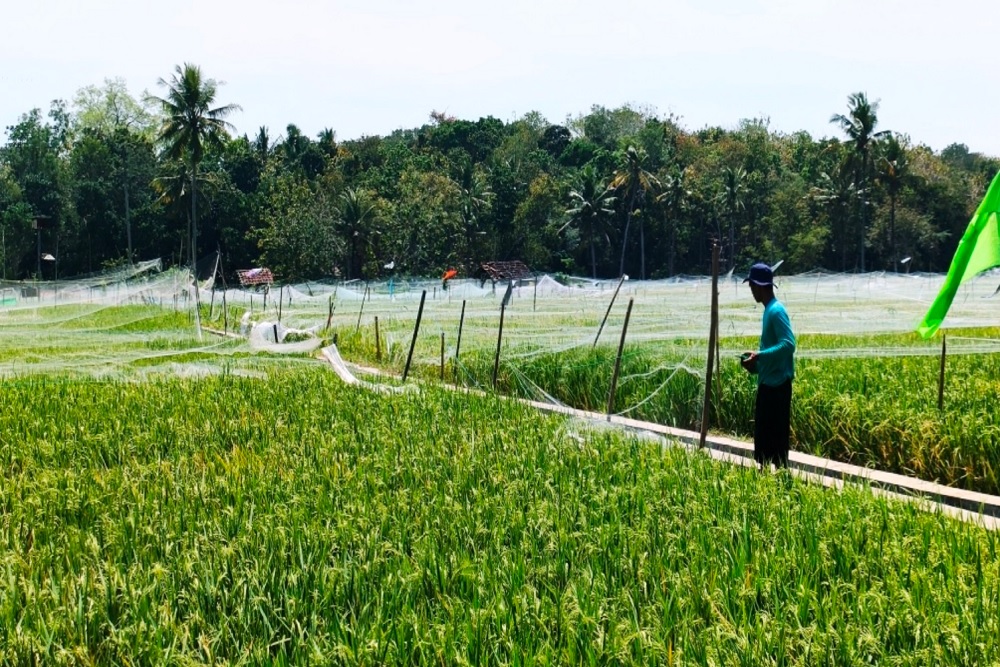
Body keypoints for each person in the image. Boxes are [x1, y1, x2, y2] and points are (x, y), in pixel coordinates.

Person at [740, 262, 796, 468]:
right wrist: (755, 365)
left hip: (778, 386)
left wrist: (760, 355)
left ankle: (781, 483)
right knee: (764, 441)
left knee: (777, 442)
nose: (751, 290)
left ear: (759, 285)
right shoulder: (768, 310)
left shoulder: (776, 311)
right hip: (768, 383)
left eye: (751, 286)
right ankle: (766, 483)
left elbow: (788, 344)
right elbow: (773, 351)